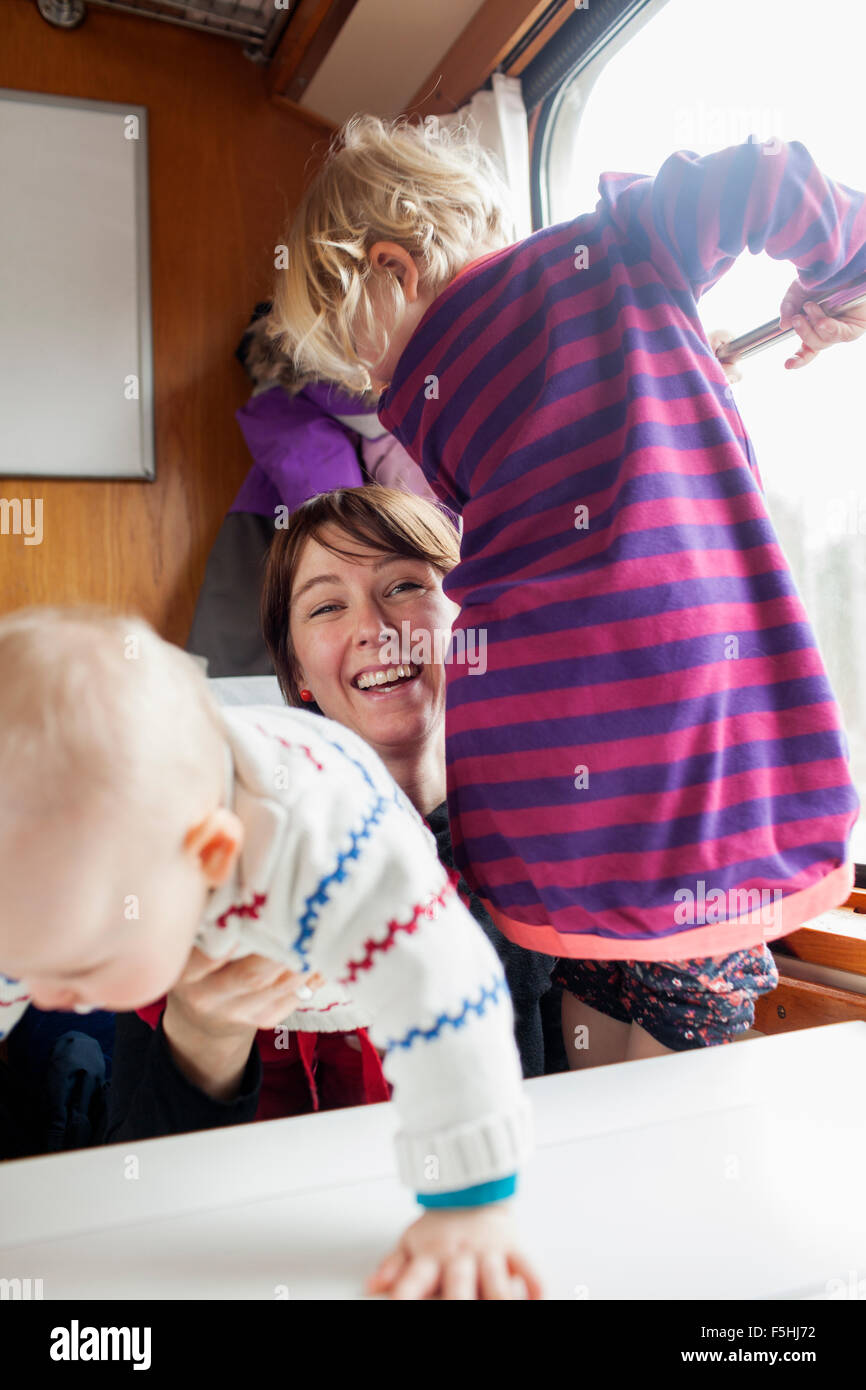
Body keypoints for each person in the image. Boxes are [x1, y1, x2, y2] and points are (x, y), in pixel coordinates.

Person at [269, 116, 866, 1068]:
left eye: (359, 357)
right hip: (691, 764)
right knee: (673, 1058)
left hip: (549, 819)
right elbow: (766, 175)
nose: (374, 385)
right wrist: (840, 270)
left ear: (392, 269)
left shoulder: (448, 386)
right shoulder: (618, 251)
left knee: (593, 1043)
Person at [0, 607, 539, 1301]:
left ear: (210, 858)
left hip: (349, 962)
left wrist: (468, 1207)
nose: (44, 992)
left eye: (80, 965)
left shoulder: (332, 849)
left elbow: (450, 1000)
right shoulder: (51, 887)